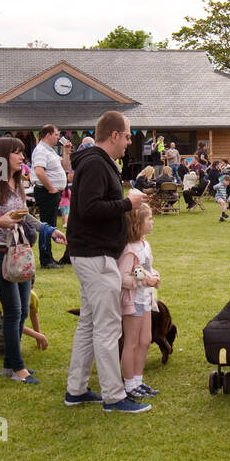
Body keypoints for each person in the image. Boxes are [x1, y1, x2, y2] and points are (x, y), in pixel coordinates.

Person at [64, 110, 151, 413]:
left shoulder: (96, 164)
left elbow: (93, 205)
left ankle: (76, 390)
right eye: (127, 135)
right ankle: (114, 397)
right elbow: (89, 209)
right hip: (95, 256)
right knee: (108, 327)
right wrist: (128, 203)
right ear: (114, 135)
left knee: (89, 324)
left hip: (93, 253)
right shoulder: (95, 164)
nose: (130, 141)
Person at [0, 136, 67, 384]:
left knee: (22, 311)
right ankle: (17, 368)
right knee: (12, 311)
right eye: (17, 153)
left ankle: (7, 364)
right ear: (3, 156)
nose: (22, 157)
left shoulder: (16, 182)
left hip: (19, 252)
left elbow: (25, 217)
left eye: (22, 153)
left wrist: (48, 230)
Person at [119, 202, 162, 400]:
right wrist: (145, 280)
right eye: (149, 219)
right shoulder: (129, 249)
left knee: (146, 340)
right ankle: (129, 384)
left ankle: (138, 380)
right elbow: (125, 276)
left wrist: (154, 276)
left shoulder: (145, 245)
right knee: (132, 342)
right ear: (137, 223)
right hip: (133, 300)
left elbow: (143, 268)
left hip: (146, 299)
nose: (152, 222)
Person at [30, 124, 68, 269]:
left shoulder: (49, 150)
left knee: (50, 225)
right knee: (47, 226)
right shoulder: (40, 150)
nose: (58, 137)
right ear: (48, 135)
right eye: (56, 134)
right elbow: (39, 171)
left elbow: (64, 166)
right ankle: (46, 260)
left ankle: (49, 257)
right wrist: (51, 188)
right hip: (46, 192)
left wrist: (66, 152)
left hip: (51, 192)